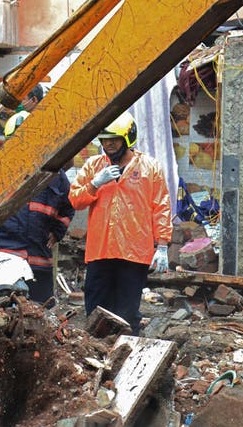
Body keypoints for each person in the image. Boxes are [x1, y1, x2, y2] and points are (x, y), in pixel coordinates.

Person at [68, 112, 172, 335]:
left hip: (134, 253)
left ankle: (126, 355)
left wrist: (162, 245)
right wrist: (95, 184)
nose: (109, 145)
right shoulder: (93, 166)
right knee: (96, 310)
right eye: (105, 140)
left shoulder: (149, 167)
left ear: (128, 138)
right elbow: (75, 200)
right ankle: (95, 354)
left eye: (114, 140)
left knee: (127, 312)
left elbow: (161, 206)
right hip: (100, 251)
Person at [0, 103, 73, 304]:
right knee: (3, 313)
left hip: (38, 259)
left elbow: (68, 207)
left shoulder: (56, 176)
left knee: (40, 314)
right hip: (5, 257)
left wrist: (57, 231)